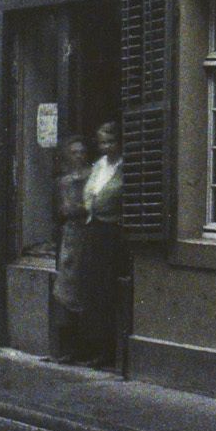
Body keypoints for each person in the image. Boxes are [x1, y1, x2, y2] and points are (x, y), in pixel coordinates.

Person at [78, 121, 124, 368]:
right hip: (92, 231)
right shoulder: (98, 166)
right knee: (91, 290)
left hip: (112, 235)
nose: (106, 147)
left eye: (110, 142)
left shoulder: (124, 167)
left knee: (106, 291)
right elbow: (89, 194)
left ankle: (107, 350)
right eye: (102, 142)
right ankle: (92, 346)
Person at [53, 136, 90, 362]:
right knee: (66, 290)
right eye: (74, 153)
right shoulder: (63, 181)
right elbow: (61, 209)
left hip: (87, 235)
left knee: (84, 289)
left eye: (82, 152)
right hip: (70, 237)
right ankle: (67, 348)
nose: (79, 156)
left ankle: (84, 347)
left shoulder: (92, 176)